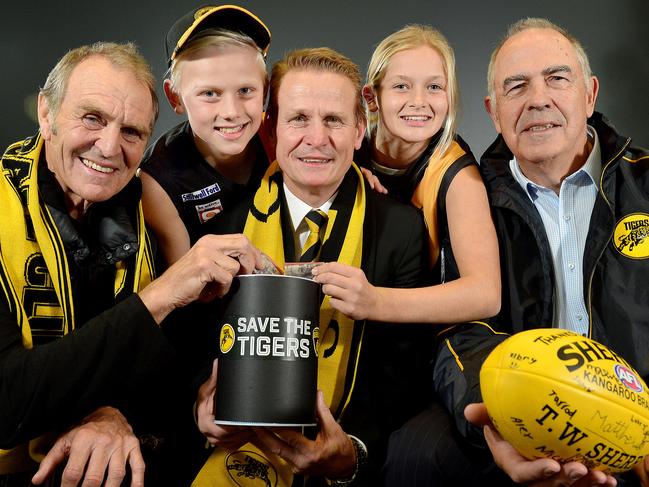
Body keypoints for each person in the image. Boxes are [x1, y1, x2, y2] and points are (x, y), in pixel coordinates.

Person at [388, 17, 649, 487]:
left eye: (557, 78)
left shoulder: (645, 185)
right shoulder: (470, 197)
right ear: (493, 110)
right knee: (415, 452)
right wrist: (496, 422)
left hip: (634, 415)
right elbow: (458, 335)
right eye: (516, 86)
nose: (537, 99)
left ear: (590, 94)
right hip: (521, 416)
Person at [0, 41, 262, 486]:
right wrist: (160, 294)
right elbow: (6, 399)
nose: (108, 146)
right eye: (92, 118)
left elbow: (170, 370)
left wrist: (114, 415)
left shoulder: (150, 205)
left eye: (132, 132)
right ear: (47, 113)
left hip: (114, 455)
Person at [194, 47, 433, 486]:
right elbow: (192, 354)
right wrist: (202, 408)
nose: (317, 139)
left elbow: (406, 379)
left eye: (335, 120)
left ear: (360, 130)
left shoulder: (402, 231)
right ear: (271, 130)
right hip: (239, 451)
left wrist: (352, 455)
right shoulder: (223, 233)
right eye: (299, 118)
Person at [314, 24, 500, 327]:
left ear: (450, 97)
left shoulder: (457, 174)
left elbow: (486, 294)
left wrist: (375, 302)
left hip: (419, 336)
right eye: (402, 86)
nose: (419, 101)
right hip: (339, 322)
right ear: (372, 98)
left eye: (435, 87)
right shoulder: (346, 149)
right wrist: (342, 172)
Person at [141, 4, 272, 267]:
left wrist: (357, 172)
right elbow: (184, 286)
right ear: (174, 97)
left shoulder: (283, 137)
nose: (231, 112)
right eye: (210, 94)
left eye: (246, 90)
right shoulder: (159, 179)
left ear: (265, 91)